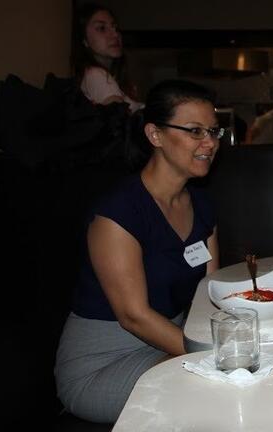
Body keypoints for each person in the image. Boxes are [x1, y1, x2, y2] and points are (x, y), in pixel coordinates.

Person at [54, 80, 221, 423]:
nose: (210, 143)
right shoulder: (118, 212)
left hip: (169, 346)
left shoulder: (201, 206)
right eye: (194, 130)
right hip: (102, 364)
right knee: (210, 387)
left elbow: (209, 293)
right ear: (155, 135)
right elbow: (133, 316)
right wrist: (216, 355)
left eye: (214, 131)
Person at [73, 3, 143, 112]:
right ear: (84, 40)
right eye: (102, 28)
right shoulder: (95, 74)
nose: (115, 34)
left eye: (115, 27)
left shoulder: (110, 77)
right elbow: (119, 122)